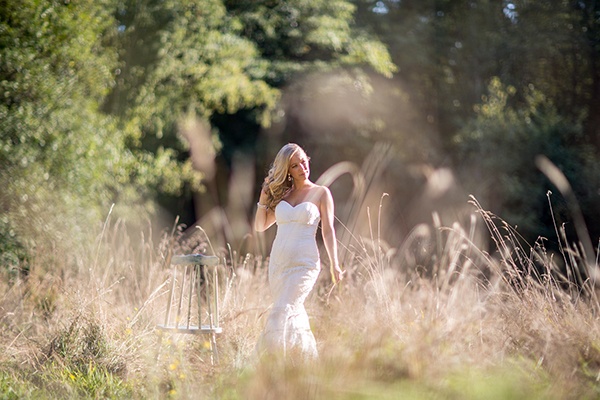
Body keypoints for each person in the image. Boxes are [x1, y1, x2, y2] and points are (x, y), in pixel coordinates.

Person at [254, 143, 344, 360]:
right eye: (295, 165)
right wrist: (263, 199)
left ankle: (271, 360)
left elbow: (329, 231)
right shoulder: (282, 196)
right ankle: (299, 362)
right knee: (291, 311)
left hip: (305, 264)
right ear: (288, 170)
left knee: (282, 309)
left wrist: (335, 263)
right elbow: (260, 226)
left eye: (304, 161)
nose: (302, 168)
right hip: (279, 265)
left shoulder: (321, 193)